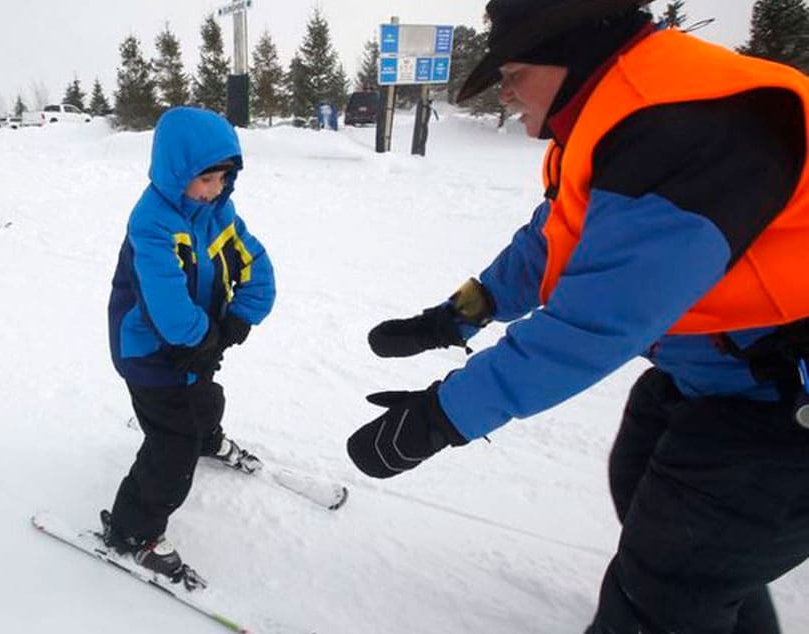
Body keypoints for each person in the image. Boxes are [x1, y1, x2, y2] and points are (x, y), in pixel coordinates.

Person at [346, 0, 809, 631]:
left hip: (783, 403)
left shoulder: (686, 127)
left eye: (513, 73)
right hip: (732, 373)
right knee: (658, 502)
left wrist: (440, 416)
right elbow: (553, 241)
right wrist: (455, 317)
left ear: (571, 50)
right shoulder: (616, 115)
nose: (505, 94)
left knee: (670, 583)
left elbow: (596, 322)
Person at [102, 107, 276, 590]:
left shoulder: (218, 214)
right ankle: (130, 531)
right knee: (170, 445)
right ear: (176, 170)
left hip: (195, 344)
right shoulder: (152, 224)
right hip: (147, 353)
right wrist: (200, 337)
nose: (214, 188)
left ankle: (206, 438)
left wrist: (241, 315)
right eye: (205, 178)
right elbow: (162, 296)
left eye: (223, 177)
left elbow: (256, 264)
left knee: (207, 400)